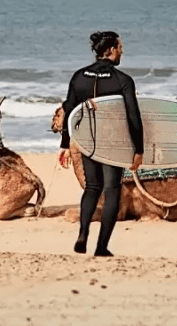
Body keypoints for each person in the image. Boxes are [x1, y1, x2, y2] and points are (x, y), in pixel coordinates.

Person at [58, 31, 143, 257]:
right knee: (112, 190)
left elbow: (69, 112)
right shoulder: (122, 80)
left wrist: (65, 144)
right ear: (113, 49)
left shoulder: (78, 77)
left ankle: (83, 234)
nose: (122, 51)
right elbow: (134, 117)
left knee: (92, 188)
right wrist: (139, 149)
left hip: (88, 141)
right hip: (113, 142)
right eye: (120, 47)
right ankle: (102, 246)